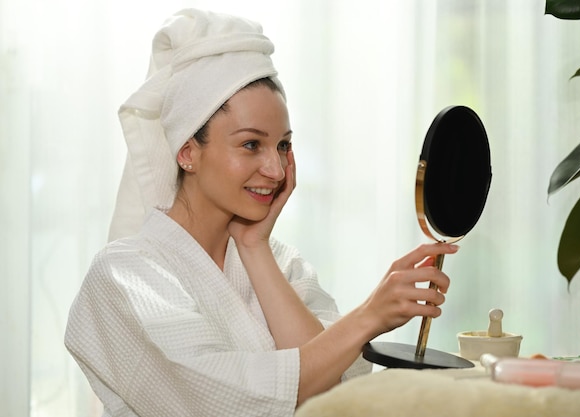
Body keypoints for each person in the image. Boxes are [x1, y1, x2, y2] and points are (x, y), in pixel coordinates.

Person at [64, 8, 458, 417]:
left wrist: (254, 247)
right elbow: (224, 400)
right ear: (187, 152)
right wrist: (369, 316)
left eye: (283, 145)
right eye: (251, 144)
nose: (275, 169)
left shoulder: (284, 266)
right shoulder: (126, 275)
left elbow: (335, 397)